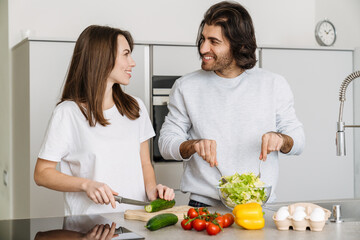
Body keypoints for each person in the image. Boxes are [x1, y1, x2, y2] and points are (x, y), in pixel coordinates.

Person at [159, 1, 305, 207]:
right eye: (202, 39)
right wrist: (193, 145)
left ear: (240, 45)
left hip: (258, 206)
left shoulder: (273, 84)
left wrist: (281, 139)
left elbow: (298, 141)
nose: (203, 48)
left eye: (213, 41)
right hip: (204, 207)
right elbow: (165, 144)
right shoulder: (186, 87)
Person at [34, 25, 174, 216]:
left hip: (135, 223)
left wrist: (152, 191)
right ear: (103, 58)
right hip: (88, 227)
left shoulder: (135, 107)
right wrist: (86, 185)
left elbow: (144, 164)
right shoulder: (68, 113)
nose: (132, 62)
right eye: (125, 54)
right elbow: (42, 173)